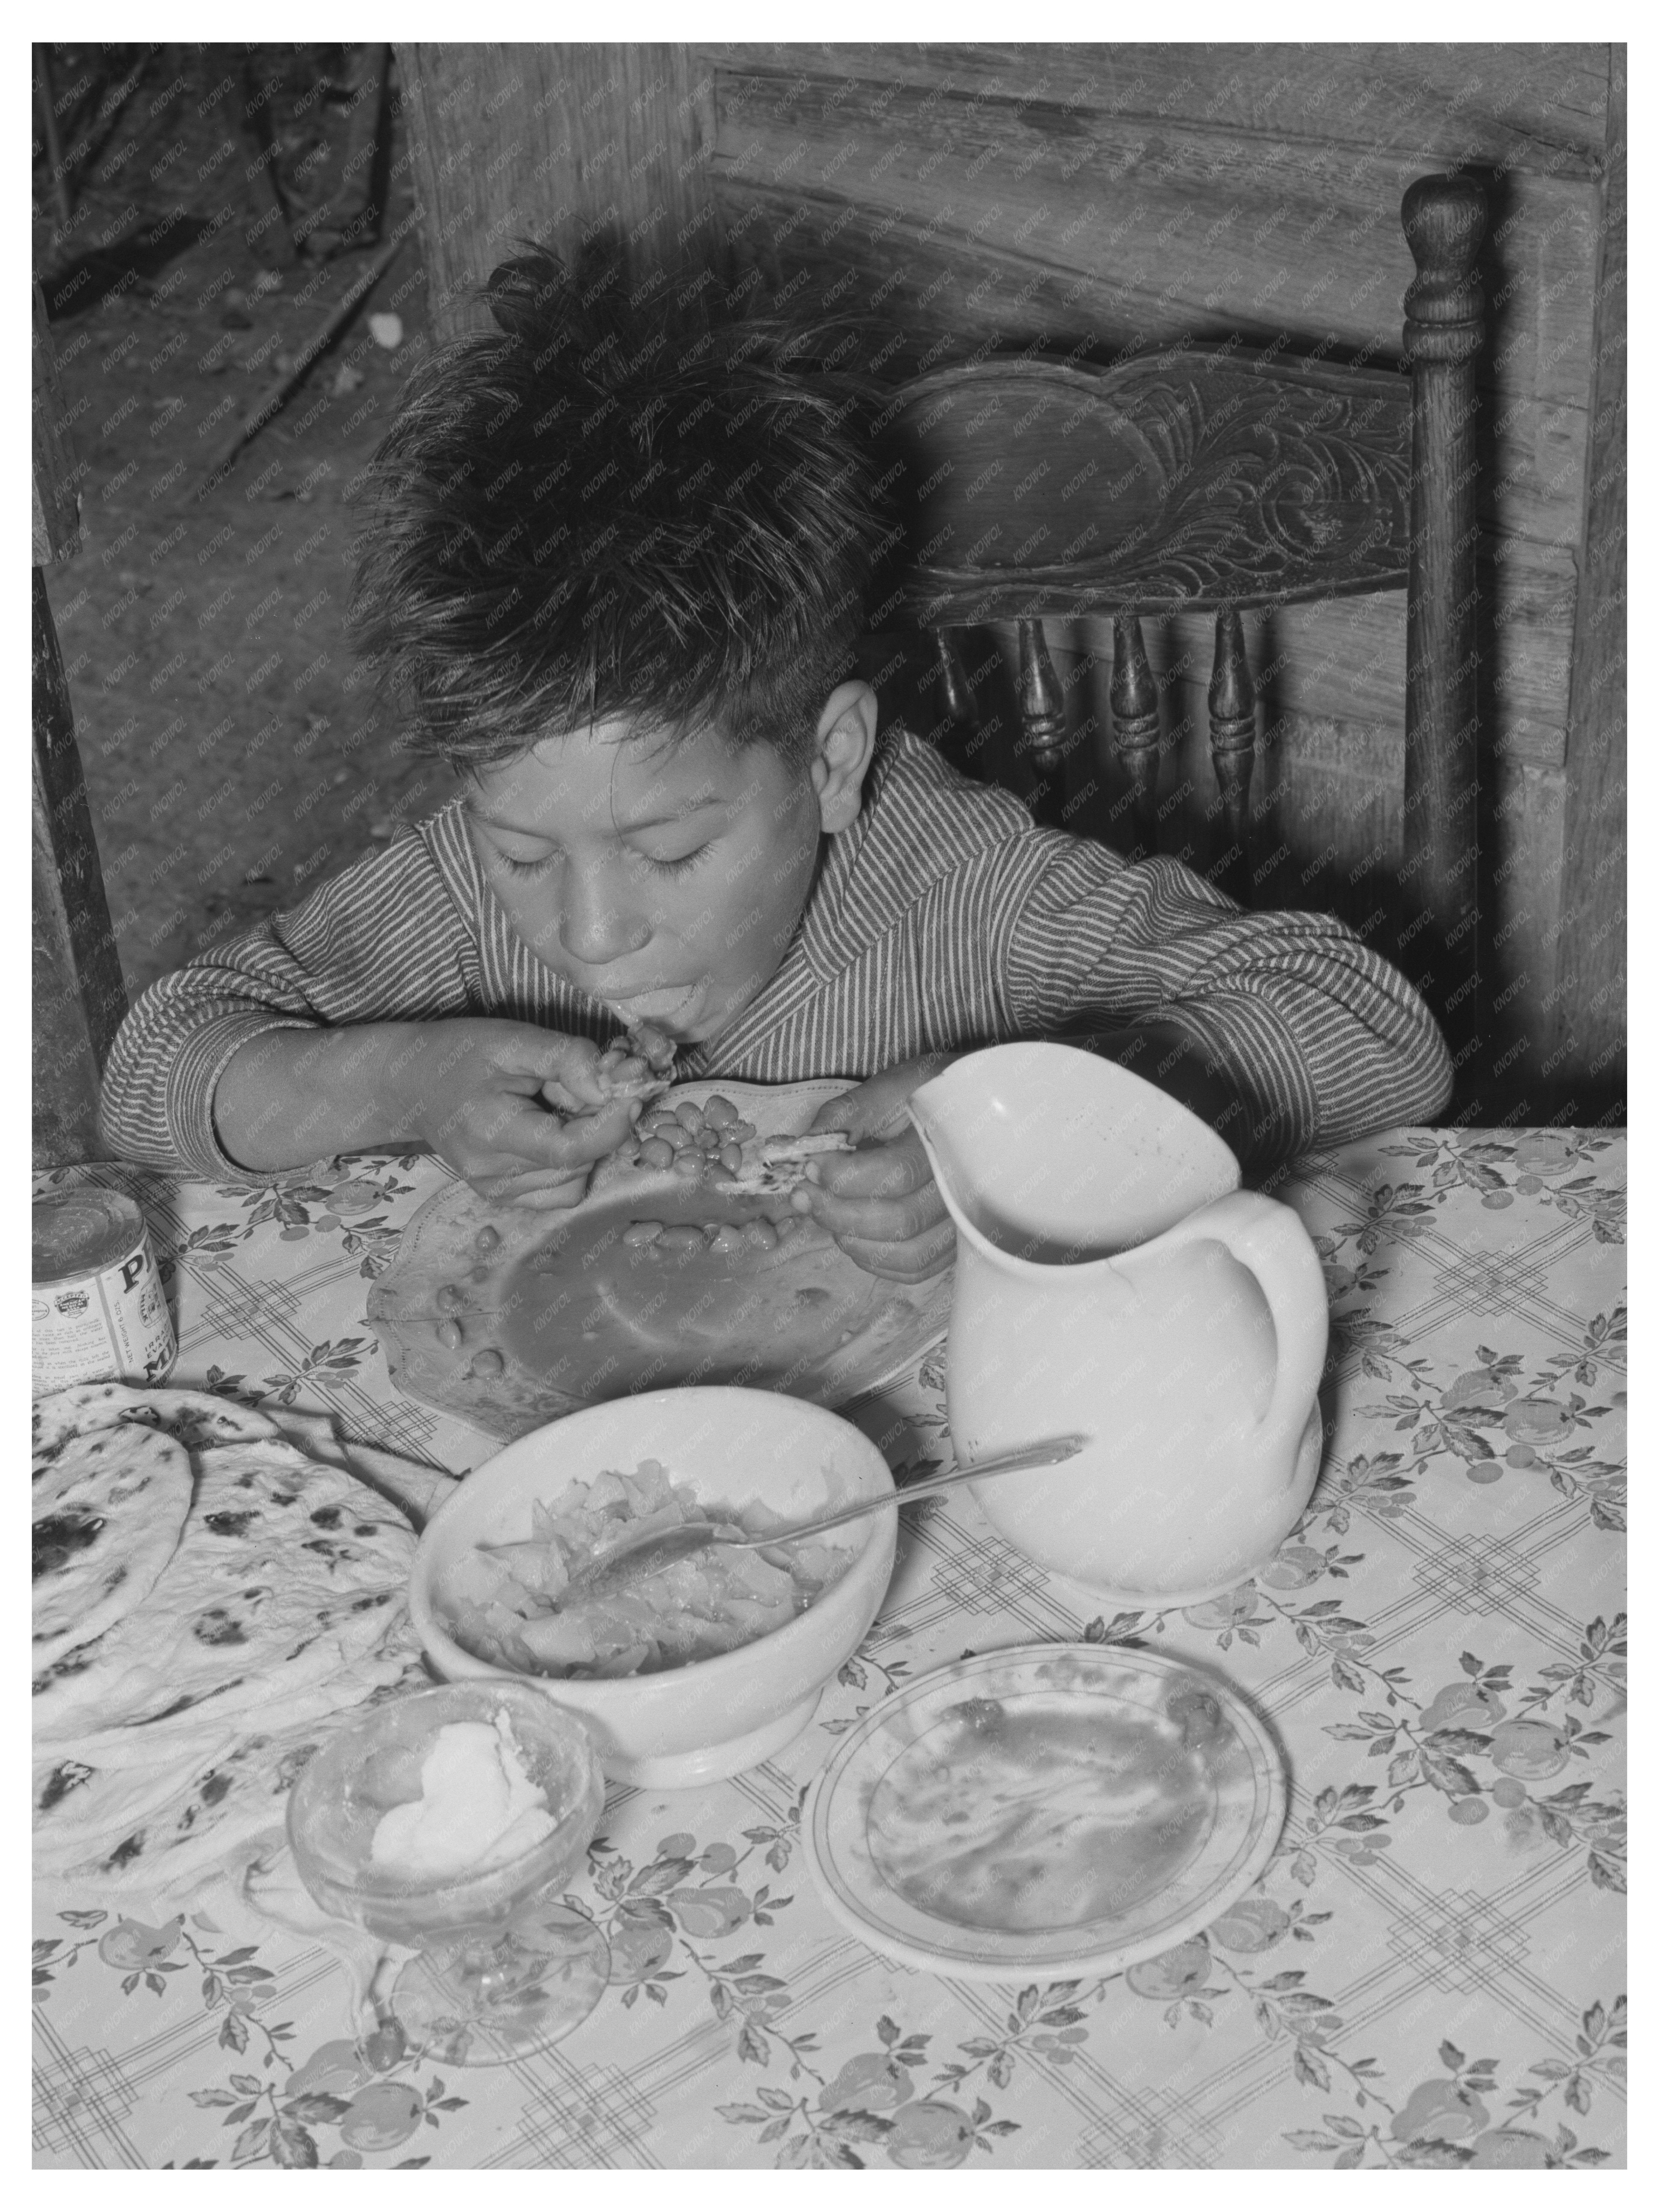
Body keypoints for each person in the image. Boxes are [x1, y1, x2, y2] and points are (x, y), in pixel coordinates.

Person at [101, 244, 1452, 1284]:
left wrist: (1028, 1117)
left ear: (832, 762)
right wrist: (407, 1080)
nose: (592, 936)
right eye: (524, 851)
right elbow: (154, 1075)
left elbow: (1371, 1030)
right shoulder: (457, 891)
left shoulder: (957, 889)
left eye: (671, 850)